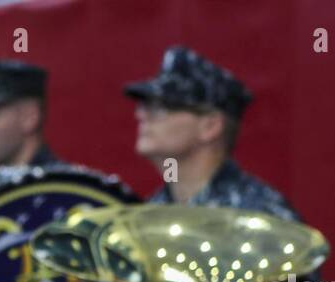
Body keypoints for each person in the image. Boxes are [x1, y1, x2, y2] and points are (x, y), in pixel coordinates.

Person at [126, 45, 297, 220]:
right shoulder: (150, 214)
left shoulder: (261, 218)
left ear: (210, 126)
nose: (140, 115)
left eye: (160, 108)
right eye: (144, 106)